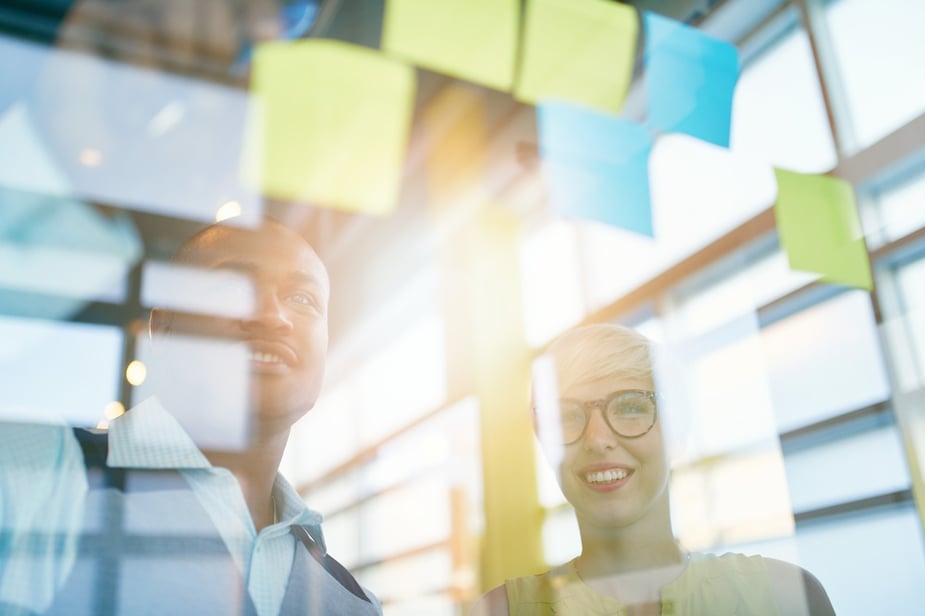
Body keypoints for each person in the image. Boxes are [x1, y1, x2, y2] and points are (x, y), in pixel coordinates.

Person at [0, 218, 381, 615]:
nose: (272, 317)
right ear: (164, 328)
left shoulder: (356, 603)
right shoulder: (29, 477)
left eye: (303, 299)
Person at [472, 324, 834, 616]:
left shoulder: (787, 598)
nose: (598, 439)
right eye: (567, 415)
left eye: (630, 407)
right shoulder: (500, 612)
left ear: (677, 431)